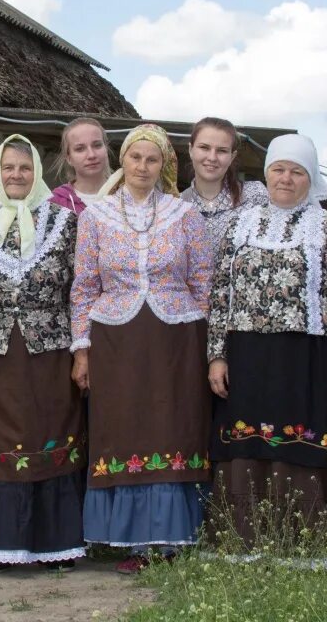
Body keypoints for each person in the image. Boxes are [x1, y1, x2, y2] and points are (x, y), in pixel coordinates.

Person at [206, 134, 327, 552]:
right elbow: (220, 292)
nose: (286, 179)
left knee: (299, 441)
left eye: (297, 172)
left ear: (311, 179)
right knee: (244, 439)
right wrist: (216, 356)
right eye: (278, 170)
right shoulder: (240, 223)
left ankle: (302, 539)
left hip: (306, 355)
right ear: (266, 173)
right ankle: (242, 537)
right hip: (246, 354)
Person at [70, 124, 213, 575]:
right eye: (136, 158)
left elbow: (204, 283)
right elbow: (84, 288)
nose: (143, 167)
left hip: (176, 341)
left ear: (164, 165)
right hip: (116, 341)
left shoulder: (184, 214)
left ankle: (172, 538)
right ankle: (130, 539)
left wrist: (210, 350)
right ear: (123, 161)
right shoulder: (95, 216)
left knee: (172, 428)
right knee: (125, 431)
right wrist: (82, 349)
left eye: (153, 159)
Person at [0, 135, 85, 572]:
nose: (17, 176)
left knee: (50, 437)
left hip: (49, 352)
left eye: (25, 168)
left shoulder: (65, 223)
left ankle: (52, 545)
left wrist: (83, 346)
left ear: (38, 173)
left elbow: (79, 288)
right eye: (9, 169)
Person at [179, 117, 268, 247]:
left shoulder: (255, 196)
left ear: (232, 156)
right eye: (204, 148)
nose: (212, 157)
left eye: (222, 151)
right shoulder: (177, 206)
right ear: (191, 150)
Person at [49, 117, 112, 214]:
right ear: (69, 158)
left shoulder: (127, 195)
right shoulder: (55, 202)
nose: (91, 155)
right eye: (80, 149)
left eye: (97, 145)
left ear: (106, 149)